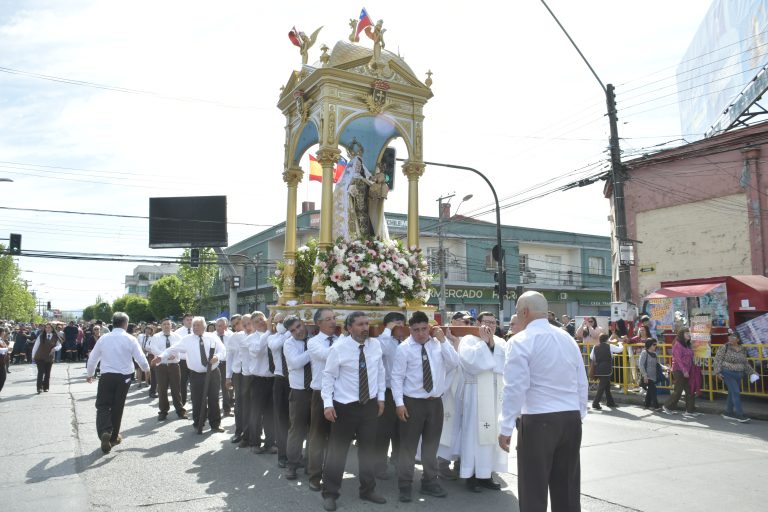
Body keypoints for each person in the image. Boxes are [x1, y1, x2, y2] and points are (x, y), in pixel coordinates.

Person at [498, 291, 588, 512]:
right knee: (567, 487)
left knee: (533, 488)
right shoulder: (567, 338)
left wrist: (506, 425)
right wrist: (579, 414)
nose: (517, 318)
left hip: (538, 419)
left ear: (525, 312)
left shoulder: (520, 340)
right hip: (570, 418)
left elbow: (515, 387)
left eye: (518, 313)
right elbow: (581, 381)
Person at [321, 312, 386, 511]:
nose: (365, 327)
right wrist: (327, 404)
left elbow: (381, 372)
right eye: (360, 324)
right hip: (344, 408)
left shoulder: (375, 346)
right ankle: (330, 494)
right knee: (337, 452)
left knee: (368, 450)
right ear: (349, 328)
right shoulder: (338, 349)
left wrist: (381, 398)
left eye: (367, 324)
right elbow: (328, 377)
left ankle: (367, 489)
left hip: (369, 406)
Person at [392, 311, 458, 502]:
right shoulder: (404, 348)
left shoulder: (438, 344)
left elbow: (454, 363)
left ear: (430, 328)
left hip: (435, 403)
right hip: (412, 403)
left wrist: (444, 340)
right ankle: (404, 485)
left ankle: (429, 482)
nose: (421, 333)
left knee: (431, 446)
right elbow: (396, 378)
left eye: (424, 329)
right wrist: (399, 404)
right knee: (408, 447)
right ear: (410, 330)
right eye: (416, 330)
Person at [457, 312, 507, 492]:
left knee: (492, 436)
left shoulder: (501, 342)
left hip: (495, 396)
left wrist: (491, 343)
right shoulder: (468, 340)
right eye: (486, 322)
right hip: (475, 393)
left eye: (493, 323)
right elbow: (470, 364)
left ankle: (486, 474)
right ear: (478, 323)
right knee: (473, 435)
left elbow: (502, 365)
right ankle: (470, 476)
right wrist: (485, 343)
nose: (490, 326)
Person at [86, 312, 150, 454]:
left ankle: (104, 431)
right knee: (117, 406)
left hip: (107, 375)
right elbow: (140, 357)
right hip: (125, 377)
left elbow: (93, 359)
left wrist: (90, 374)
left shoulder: (103, 338)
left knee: (102, 405)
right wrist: (146, 370)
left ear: (113, 323)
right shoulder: (130, 339)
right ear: (126, 324)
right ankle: (113, 437)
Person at [159, 316, 226, 433]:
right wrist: (160, 357)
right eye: (194, 325)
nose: (195, 327)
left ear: (204, 326)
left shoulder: (212, 337)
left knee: (213, 399)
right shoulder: (187, 339)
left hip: (213, 373)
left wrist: (217, 357)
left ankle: (215, 424)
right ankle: (198, 422)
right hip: (196, 375)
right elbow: (173, 349)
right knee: (197, 400)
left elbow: (223, 350)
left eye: (198, 325)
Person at [306, 308, 339, 491]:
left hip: (339, 395)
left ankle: (332, 476)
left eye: (334, 318)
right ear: (319, 323)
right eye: (328, 319)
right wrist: (345, 344)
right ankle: (314, 475)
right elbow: (329, 356)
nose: (333, 322)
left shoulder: (341, 340)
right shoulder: (313, 342)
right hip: (320, 395)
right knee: (317, 437)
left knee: (336, 439)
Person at [373, 311, 406, 480]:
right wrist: (388, 330)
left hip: (405, 393)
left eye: (402, 323)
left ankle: (399, 462)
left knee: (402, 431)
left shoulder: (408, 341)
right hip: (387, 392)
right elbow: (380, 350)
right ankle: (379, 466)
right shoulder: (382, 341)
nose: (400, 326)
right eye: (396, 323)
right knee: (383, 432)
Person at [283, 315, 313, 480]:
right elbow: (295, 363)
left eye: (299, 326)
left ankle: (311, 465)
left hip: (316, 391)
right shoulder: (289, 343)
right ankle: (292, 465)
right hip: (299, 391)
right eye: (292, 330)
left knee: (314, 430)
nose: (297, 331)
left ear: (304, 323)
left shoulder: (314, 338)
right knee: (296, 430)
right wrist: (314, 349)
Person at [714, 329, 758, 423]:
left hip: (739, 374)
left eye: (733, 337)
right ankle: (739, 414)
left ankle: (728, 412)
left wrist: (753, 372)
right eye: (729, 336)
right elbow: (717, 360)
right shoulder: (724, 347)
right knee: (736, 392)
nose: (730, 338)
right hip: (727, 372)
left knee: (732, 393)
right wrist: (718, 372)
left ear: (738, 339)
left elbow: (745, 363)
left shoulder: (742, 349)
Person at [247, 311, 276, 454]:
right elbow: (258, 350)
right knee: (256, 413)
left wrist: (271, 331)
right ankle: (255, 442)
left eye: (262, 319)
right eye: (257, 321)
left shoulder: (274, 335)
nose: (261, 322)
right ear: (252, 325)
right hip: (258, 380)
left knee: (271, 413)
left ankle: (270, 443)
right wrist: (269, 331)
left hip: (273, 379)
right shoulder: (251, 338)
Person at [147, 318, 186, 421]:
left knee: (176, 389)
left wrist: (174, 354)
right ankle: (163, 411)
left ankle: (180, 411)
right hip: (161, 366)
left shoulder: (177, 337)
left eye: (168, 324)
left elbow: (181, 348)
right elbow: (153, 349)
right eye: (164, 324)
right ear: (161, 325)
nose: (166, 326)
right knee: (162, 389)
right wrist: (165, 356)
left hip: (174, 365)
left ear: (171, 326)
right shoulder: (156, 337)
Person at [266, 312, 291, 467]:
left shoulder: (295, 337)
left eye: (285, 321)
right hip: (280, 381)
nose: (282, 324)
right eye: (279, 322)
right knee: (281, 420)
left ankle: (294, 453)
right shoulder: (273, 338)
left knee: (294, 421)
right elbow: (277, 345)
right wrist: (290, 329)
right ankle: (282, 455)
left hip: (295, 382)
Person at [663, 327, 700, 418]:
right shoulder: (677, 344)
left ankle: (689, 411)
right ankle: (667, 406)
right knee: (678, 391)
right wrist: (684, 371)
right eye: (686, 333)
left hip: (688, 371)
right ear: (681, 334)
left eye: (689, 333)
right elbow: (678, 359)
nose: (689, 334)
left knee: (690, 390)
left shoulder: (687, 345)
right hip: (679, 370)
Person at [226, 314, 249, 444]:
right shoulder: (234, 337)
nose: (237, 326)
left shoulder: (254, 333)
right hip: (238, 374)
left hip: (251, 373)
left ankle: (252, 432)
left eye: (238, 322)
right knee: (239, 404)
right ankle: (238, 432)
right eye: (234, 325)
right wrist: (228, 377)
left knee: (251, 404)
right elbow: (229, 358)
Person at [590, 333, 623, 410]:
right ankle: (595, 403)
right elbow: (620, 350)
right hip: (606, 369)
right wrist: (620, 344)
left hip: (598, 368)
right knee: (602, 387)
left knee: (607, 386)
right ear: (607, 339)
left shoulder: (595, 346)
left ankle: (610, 402)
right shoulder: (609, 346)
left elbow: (591, 356)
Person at [32, 323, 62, 394]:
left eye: (49, 328)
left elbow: (59, 345)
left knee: (47, 373)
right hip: (40, 357)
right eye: (46, 327)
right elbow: (35, 346)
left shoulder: (55, 337)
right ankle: (39, 388)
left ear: (52, 329)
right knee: (40, 372)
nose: (47, 329)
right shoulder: (41, 336)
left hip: (49, 358)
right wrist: (33, 357)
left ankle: (46, 387)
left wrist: (55, 348)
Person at [213, 318, 234, 417]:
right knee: (215, 388)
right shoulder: (212, 336)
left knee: (227, 387)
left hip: (227, 364)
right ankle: (213, 409)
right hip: (216, 364)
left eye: (221, 325)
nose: (218, 327)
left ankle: (227, 409)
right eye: (217, 325)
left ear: (226, 326)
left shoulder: (231, 336)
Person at [174, 314, 193, 405]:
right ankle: (183, 402)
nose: (190, 321)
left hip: (194, 360)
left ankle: (195, 400)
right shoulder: (178, 332)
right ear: (183, 321)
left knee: (195, 382)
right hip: (182, 361)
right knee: (182, 382)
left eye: (191, 319)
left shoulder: (196, 330)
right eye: (187, 320)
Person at [638, 338, 661, 410]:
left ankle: (646, 404)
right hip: (647, 376)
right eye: (654, 344)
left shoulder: (654, 354)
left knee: (650, 391)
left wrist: (665, 367)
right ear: (649, 345)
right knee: (653, 391)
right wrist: (645, 375)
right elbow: (641, 365)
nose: (655, 346)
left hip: (653, 376)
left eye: (656, 344)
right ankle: (656, 406)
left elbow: (657, 364)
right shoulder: (644, 353)